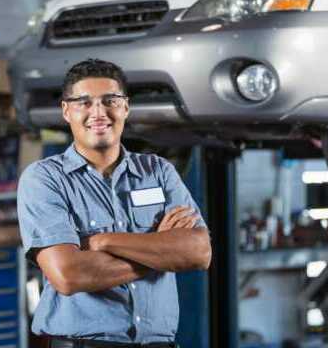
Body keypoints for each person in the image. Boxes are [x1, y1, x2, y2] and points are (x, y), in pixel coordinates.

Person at [17, 58, 212, 348]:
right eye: (83, 102)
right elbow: (69, 275)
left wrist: (105, 241)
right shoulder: (45, 179)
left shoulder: (158, 172)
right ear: (66, 111)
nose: (98, 112)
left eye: (110, 100)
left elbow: (198, 252)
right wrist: (160, 252)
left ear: (125, 107)